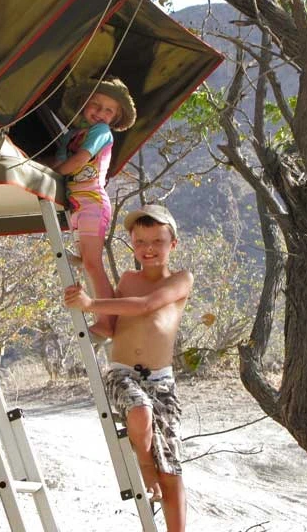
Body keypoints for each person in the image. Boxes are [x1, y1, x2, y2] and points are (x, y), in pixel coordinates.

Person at [64, 204, 191, 532]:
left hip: (161, 381)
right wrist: (88, 281)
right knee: (139, 412)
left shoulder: (180, 280)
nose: (148, 249)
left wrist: (92, 304)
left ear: (172, 244)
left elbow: (146, 306)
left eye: (158, 242)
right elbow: (110, 324)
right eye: (141, 242)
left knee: (172, 470)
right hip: (122, 373)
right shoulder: (129, 279)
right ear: (132, 245)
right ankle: (144, 464)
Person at [47, 76, 136, 338]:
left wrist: (52, 171)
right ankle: (105, 319)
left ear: (115, 117)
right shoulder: (71, 136)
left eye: (108, 110)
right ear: (85, 105)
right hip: (78, 205)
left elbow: (78, 161)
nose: (100, 113)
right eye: (95, 105)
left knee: (93, 265)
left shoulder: (100, 132)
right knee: (88, 263)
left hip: (92, 202)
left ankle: (107, 322)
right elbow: (61, 162)